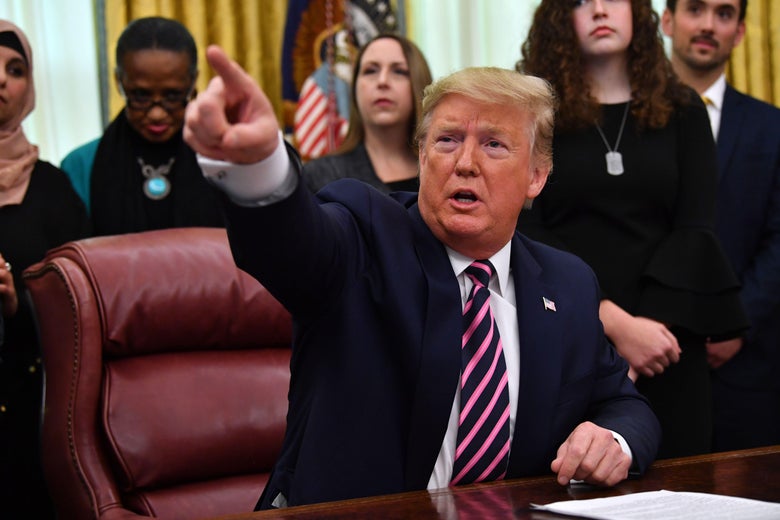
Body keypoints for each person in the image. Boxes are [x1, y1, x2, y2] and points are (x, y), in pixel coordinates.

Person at [183, 45, 661, 509]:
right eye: (447, 140)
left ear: (537, 175)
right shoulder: (365, 233)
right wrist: (259, 167)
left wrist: (614, 441)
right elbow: (292, 248)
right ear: (422, 156)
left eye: (494, 144)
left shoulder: (566, 283)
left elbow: (627, 405)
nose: (466, 163)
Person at [516, 0, 748, 459]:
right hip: (567, 329)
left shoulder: (683, 109)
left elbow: (695, 229)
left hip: (666, 341)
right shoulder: (535, 114)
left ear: (639, 13)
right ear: (560, 18)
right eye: (582, 2)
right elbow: (528, 229)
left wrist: (647, 330)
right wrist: (611, 323)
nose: (600, 9)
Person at [662, 0, 780, 451]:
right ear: (667, 21)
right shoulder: (619, 125)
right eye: (695, 9)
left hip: (747, 367)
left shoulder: (770, 129)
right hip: (644, 358)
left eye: (725, 13)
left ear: (742, 32)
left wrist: (737, 325)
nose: (709, 24)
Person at [0, 19, 90, 518]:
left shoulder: (54, 189)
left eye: (15, 70)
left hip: (33, 406)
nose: (0, 82)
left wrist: (19, 303)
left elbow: (81, 305)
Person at [60, 16, 224, 236]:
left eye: (173, 95)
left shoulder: (223, 158)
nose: (157, 113)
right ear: (120, 81)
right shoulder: (80, 166)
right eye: (140, 95)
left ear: (193, 83)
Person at [302, 33, 432, 194]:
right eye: (370, 71)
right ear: (355, 88)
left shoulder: (446, 170)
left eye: (399, 71)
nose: (382, 81)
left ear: (419, 85)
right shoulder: (320, 176)